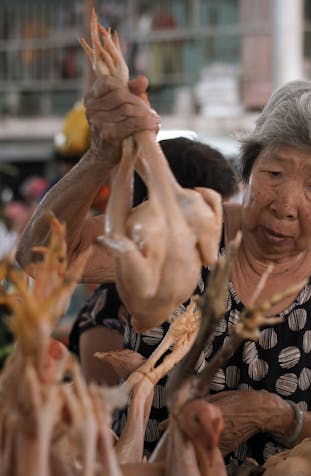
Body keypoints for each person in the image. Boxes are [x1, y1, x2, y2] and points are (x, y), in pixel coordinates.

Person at [16, 75, 311, 466]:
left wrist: (273, 414)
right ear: (248, 168)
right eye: (274, 173)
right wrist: (101, 155)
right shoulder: (187, 229)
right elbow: (42, 258)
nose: (285, 205)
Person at [67, 136, 239, 386]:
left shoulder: (212, 280)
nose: (220, 227)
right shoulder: (111, 303)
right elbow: (104, 406)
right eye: (220, 215)